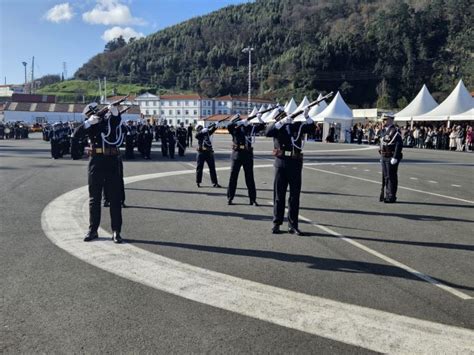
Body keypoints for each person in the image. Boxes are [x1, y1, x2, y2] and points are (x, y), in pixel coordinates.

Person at [73, 102, 125, 243]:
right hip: (96, 160)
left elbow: (116, 122)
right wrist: (88, 123)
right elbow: (76, 135)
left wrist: (115, 113)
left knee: (115, 198)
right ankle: (93, 230)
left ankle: (116, 231)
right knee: (94, 198)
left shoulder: (110, 121)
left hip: (112, 160)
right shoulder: (92, 124)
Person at [265, 107, 315, 236]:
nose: (285, 118)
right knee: (279, 195)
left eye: (284, 116)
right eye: (281, 117)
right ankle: (277, 223)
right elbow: (267, 132)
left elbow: (312, 129)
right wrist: (281, 123)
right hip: (281, 162)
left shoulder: (296, 126)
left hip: (295, 163)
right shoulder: (277, 127)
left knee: (294, 196)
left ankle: (293, 225)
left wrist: (307, 116)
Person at [226, 113, 265, 205]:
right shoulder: (235, 129)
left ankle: (253, 199)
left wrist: (259, 118)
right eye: (238, 120)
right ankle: (230, 197)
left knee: (250, 178)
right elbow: (229, 125)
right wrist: (238, 123)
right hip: (237, 155)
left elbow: (262, 126)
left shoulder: (249, 128)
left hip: (247, 155)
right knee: (233, 177)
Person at [379, 113, 403, 203]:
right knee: (385, 177)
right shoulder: (383, 131)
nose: (383, 121)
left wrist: (395, 157)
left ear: (391, 120)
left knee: (391, 177)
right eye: (383, 120)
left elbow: (399, 144)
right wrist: (381, 155)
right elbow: (382, 144)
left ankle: (391, 196)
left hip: (391, 157)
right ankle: (387, 194)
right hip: (384, 156)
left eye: (385, 119)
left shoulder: (395, 131)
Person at [195, 123, 221, 188]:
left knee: (212, 168)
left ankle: (215, 183)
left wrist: (216, 125)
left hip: (209, 153)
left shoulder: (207, 133)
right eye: (199, 128)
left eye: (201, 127)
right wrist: (202, 131)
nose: (201, 128)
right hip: (201, 153)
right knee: (199, 168)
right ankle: (198, 182)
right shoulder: (199, 134)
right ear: (197, 129)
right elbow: (196, 135)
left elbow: (212, 130)